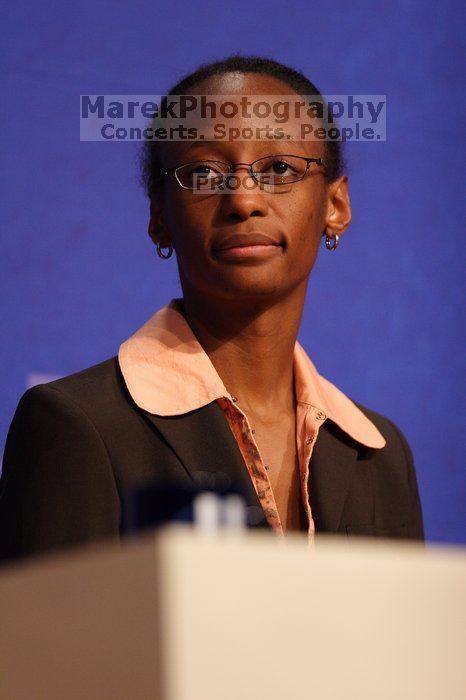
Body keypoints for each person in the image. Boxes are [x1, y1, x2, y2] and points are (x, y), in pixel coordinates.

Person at [0, 55, 424, 562]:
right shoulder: (77, 425)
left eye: (280, 168)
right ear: (159, 218)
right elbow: (45, 638)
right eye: (203, 172)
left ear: (336, 206)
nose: (243, 199)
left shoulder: (379, 454)